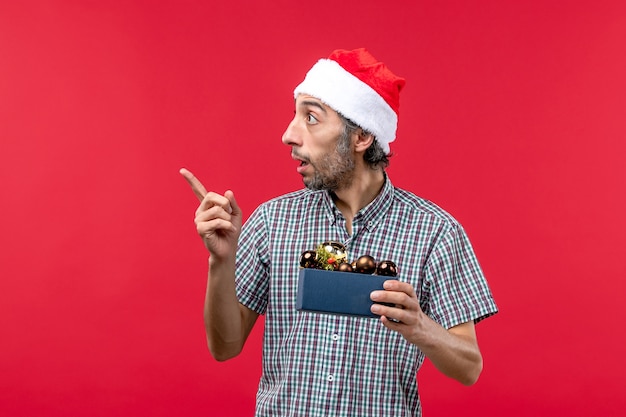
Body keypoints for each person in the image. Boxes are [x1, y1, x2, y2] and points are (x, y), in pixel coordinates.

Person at [180, 48, 497, 416]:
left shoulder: (436, 232)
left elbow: (469, 367)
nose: (288, 135)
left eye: (311, 118)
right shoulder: (271, 221)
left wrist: (421, 327)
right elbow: (225, 346)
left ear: (361, 137)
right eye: (295, 115)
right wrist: (221, 259)